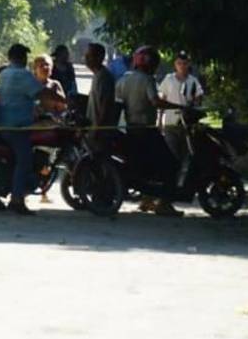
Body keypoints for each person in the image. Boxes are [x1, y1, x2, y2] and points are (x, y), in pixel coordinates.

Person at [114, 46, 185, 217]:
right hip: (146, 130)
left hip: (130, 130)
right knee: (172, 164)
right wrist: (179, 107)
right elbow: (155, 101)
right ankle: (165, 204)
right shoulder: (147, 80)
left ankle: (146, 199)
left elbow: (118, 104)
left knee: (145, 166)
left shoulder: (123, 80)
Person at [0, 44, 66, 215]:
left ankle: (10, 192)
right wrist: (65, 101)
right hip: (17, 126)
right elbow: (42, 93)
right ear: (22, 58)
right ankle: (17, 200)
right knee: (25, 160)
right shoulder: (23, 75)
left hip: (5, 122)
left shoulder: (5, 73)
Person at [31, 55, 66, 203]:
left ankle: (44, 192)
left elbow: (63, 105)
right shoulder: (31, 86)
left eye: (48, 65)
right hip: (34, 128)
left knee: (49, 162)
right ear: (35, 69)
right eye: (41, 65)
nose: (45, 68)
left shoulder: (55, 85)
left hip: (52, 128)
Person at [158, 51, 205, 162]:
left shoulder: (193, 81)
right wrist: (160, 119)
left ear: (188, 64)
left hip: (186, 123)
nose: (182, 66)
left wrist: (194, 106)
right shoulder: (168, 79)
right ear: (175, 65)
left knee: (186, 153)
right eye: (179, 63)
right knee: (171, 152)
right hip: (170, 122)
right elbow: (162, 100)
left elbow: (198, 99)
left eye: (184, 63)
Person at [84, 42, 117, 153]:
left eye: (89, 56)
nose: (86, 58)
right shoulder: (97, 76)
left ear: (99, 57)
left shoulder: (104, 78)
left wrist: (97, 129)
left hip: (100, 132)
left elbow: (105, 106)